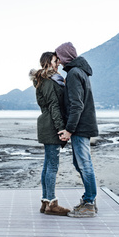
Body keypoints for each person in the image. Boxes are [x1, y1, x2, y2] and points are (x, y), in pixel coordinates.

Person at [55, 42, 99, 218]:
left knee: (84, 164)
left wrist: (69, 130)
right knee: (80, 163)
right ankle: (90, 200)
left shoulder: (74, 74)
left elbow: (77, 105)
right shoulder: (80, 72)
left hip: (80, 127)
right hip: (83, 125)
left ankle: (89, 203)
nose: (57, 61)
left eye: (58, 56)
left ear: (65, 56)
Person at [30, 51, 71, 216]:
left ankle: (45, 201)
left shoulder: (43, 80)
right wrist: (61, 128)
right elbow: (54, 106)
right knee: (52, 165)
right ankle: (51, 203)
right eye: (55, 61)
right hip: (51, 126)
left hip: (46, 124)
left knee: (48, 164)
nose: (58, 63)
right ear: (48, 62)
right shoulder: (49, 81)